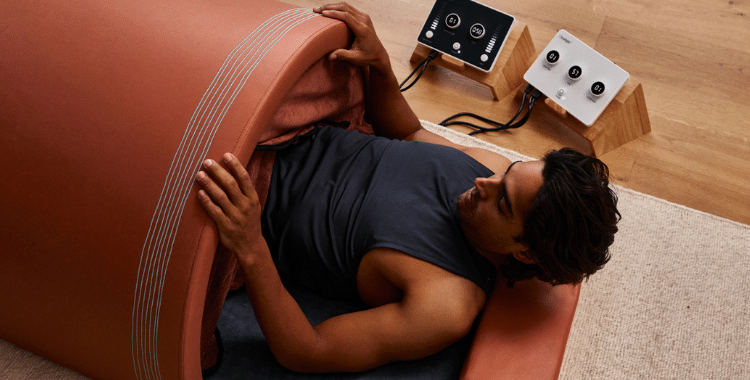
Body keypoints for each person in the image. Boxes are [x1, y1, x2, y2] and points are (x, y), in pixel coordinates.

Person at [194, 2, 620, 373]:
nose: (484, 181)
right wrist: (379, 64)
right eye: (508, 173)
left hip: (251, 197)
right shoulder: (492, 169)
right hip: (306, 124)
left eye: (503, 202)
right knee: (299, 44)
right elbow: (410, 132)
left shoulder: (446, 304)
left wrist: (249, 245)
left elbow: (307, 349)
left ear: (523, 251)